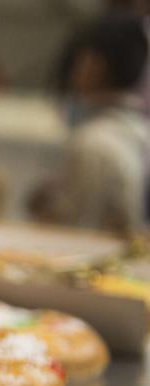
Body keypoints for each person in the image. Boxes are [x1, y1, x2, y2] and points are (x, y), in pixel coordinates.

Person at [30, 12, 150, 234]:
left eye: (80, 59)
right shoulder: (139, 131)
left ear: (96, 65)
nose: (74, 70)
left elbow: (69, 235)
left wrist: (42, 206)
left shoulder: (94, 143)